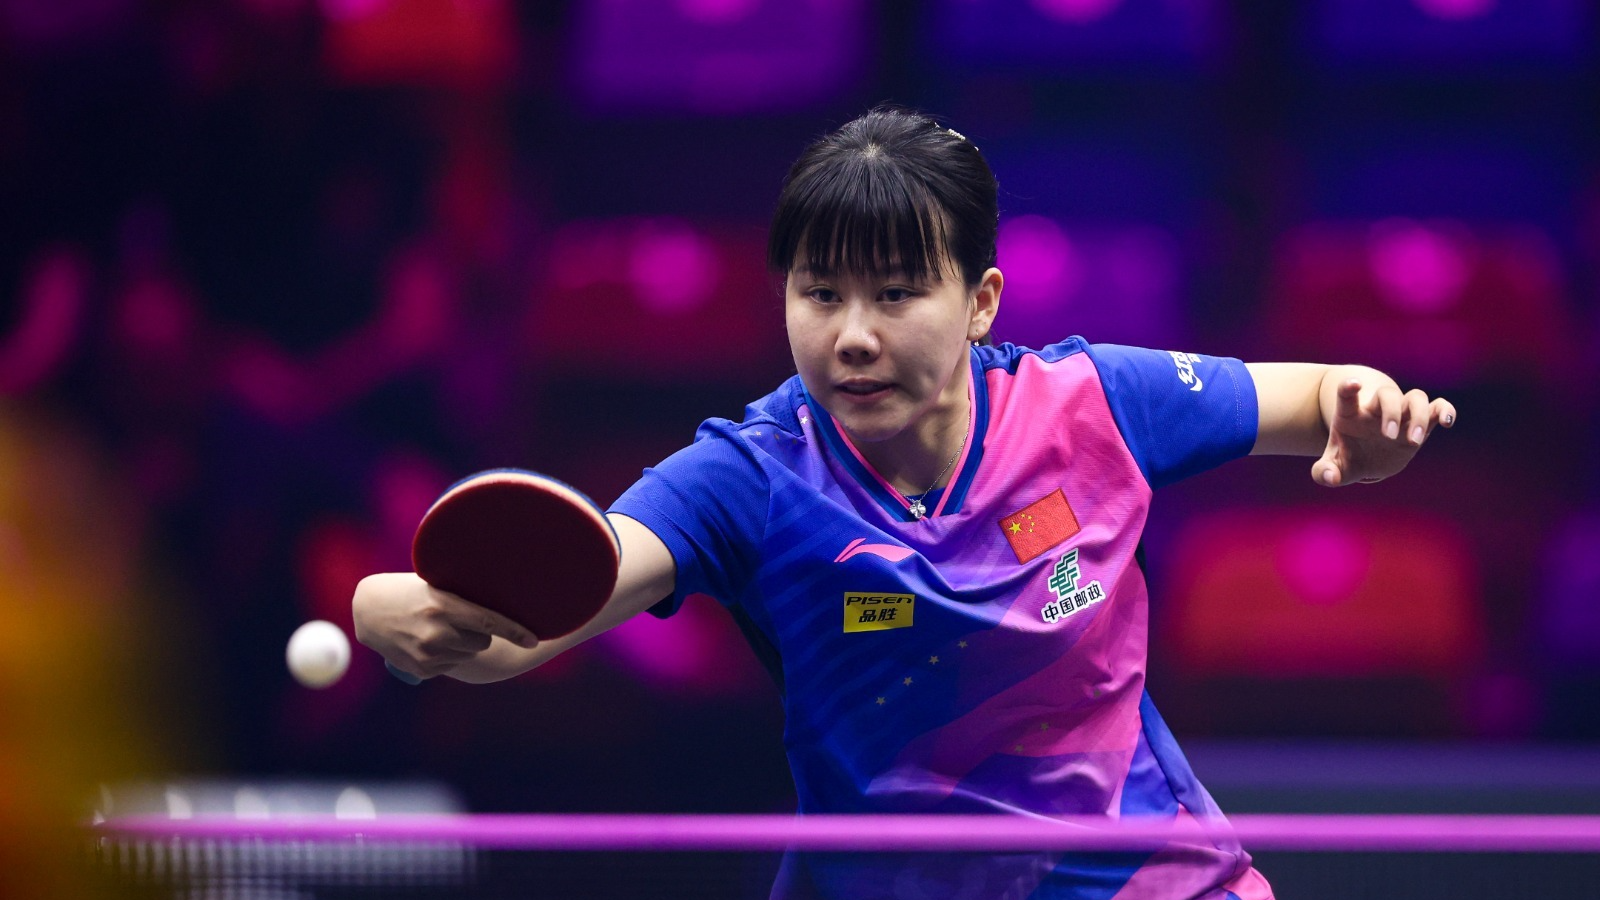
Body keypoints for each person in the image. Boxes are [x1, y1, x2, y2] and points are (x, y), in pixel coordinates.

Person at [353, 107, 1456, 899]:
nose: (853, 335)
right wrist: (388, 611)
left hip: (1142, 879)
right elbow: (538, 616)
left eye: (895, 292)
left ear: (977, 303)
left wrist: (1361, 419)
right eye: (819, 293)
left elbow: (1309, 398)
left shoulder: (1093, 404)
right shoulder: (754, 476)